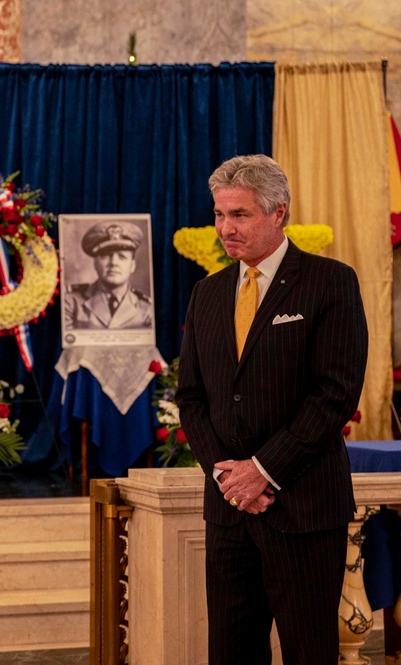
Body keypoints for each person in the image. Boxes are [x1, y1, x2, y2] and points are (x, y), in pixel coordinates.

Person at [176, 154, 368, 665]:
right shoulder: (207, 294)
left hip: (303, 510)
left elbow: (335, 393)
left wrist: (262, 471)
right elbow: (192, 400)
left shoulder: (330, 282)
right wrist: (229, 477)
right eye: (219, 214)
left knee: (309, 653)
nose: (224, 228)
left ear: (278, 212)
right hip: (230, 513)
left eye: (239, 215)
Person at [62, 220, 153, 329]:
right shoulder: (71, 303)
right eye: (105, 256)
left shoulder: (147, 309)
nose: (114, 263)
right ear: (95, 263)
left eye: (122, 257)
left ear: (132, 266)